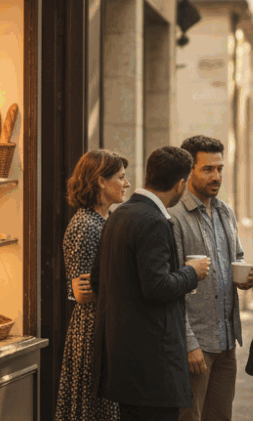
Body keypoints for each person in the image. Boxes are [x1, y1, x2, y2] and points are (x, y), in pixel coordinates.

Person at [91, 146, 212, 421]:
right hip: (151, 369)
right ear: (180, 184)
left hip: (122, 363)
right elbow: (156, 287)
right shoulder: (153, 220)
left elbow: (98, 281)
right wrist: (192, 272)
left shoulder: (118, 214)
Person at [169, 136, 253, 421]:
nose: (216, 176)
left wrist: (243, 277)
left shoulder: (225, 211)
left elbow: (237, 256)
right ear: (189, 170)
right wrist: (190, 342)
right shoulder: (175, 217)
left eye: (219, 168)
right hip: (195, 344)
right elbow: (171, 287)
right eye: (207, 169)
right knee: (189, 417)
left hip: (226, 340)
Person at [55, 150, 131, 421]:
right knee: (94, 408)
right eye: (121, 177)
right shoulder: (86, 224)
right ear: (101, 181)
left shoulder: (102, 221)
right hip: (92, 331)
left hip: (100, 326)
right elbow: (81, 292)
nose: (127, 183)